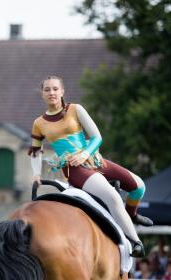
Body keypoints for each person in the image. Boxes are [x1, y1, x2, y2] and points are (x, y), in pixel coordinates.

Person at [29, 76, 151, 257]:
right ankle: (135, 242)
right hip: (74, 169)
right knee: (112, 197)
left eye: (55, 89)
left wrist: (85, 154)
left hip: (94, 159)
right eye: (47, 90)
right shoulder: (39, 123)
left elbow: (97, 137)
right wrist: (36, 175)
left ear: (62, 91)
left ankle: (131, 215)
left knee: (139, 187)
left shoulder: (76, 109)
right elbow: (35, 151)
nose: (51, 93)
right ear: (42, 94)